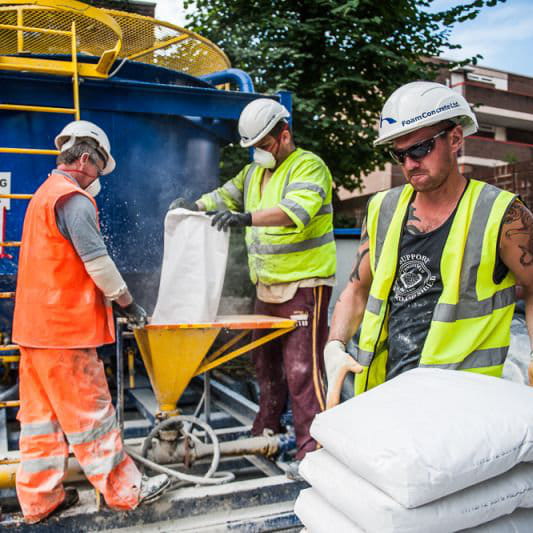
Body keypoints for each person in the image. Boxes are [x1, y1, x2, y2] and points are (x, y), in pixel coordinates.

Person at [325, 81, 533, 407]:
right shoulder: (383, 209)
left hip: (462, 403)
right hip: (387, 392)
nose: (409, 163)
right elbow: (358, 289)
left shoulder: (502, 214)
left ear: (455, 139)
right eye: (399, 153)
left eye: (420, 149)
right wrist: (335, 344)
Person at [11, 120, 169, 523]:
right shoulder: (73, 200)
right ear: (85, 158)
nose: (100, 176)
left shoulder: (43, 196)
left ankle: (40, 501)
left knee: (40, 425)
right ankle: (125, 490)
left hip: (34, 333)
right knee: (91, 418)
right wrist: (128, 304)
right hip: (65, 333)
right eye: (99, 167)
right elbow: (98, 263)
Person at [171, 98, 336, 474]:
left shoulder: (308, 166)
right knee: (266, 365)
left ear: (284, 134)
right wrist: (194, 207)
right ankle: (268, 433)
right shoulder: (252, 176)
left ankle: (313, 452)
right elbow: (223, 196)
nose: (258, 153)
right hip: (266, 286)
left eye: (263, 145)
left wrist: (246, 217)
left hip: (304, 285)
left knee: (302, 372)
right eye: (253, 147)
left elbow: (297, 210)